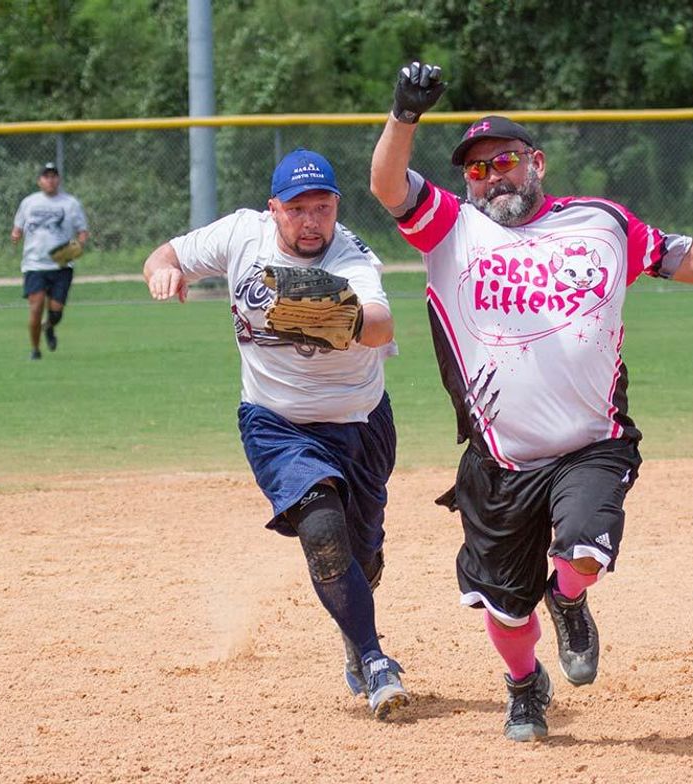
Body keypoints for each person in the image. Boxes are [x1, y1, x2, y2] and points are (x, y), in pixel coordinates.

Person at [370, 62, 693, 742]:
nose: (492, 177)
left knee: (582, 552)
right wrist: (404, 114)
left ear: (537, 163)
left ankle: (569, 596)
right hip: (501, 460)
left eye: (505, 161)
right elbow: (386, 185)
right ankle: (524, 684)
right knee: (505, 609)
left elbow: (677, 256)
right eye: (479, 170)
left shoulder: (600, 222)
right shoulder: (451, 229)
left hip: (592, 442)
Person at [142, 148, 409, 720]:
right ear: (274, 209)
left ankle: (355, 618)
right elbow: (166, 254)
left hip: (359, 423)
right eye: (297, 209)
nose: (311, 221)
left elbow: (383, 323)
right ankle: (374, 659)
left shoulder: (351, 256)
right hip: (276, 421)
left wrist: (332, 315)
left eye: (323, 208)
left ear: (337, 207)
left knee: (362, 557)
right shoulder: (243, 233)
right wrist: (163, 269)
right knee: (323, 530)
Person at [11, 162, 89, 360]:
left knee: (56, 312)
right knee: (36, 307)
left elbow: (82, 232)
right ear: (39, 181)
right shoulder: (29, 202)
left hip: (61, 264)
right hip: (34, 264)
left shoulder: (70, 203)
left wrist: (77, 247)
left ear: (59, 180)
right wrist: (16, 234)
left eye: (54, 176)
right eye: (46, 176)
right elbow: (17, 228)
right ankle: (35, 351)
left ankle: (49, 327)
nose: (50, 180)